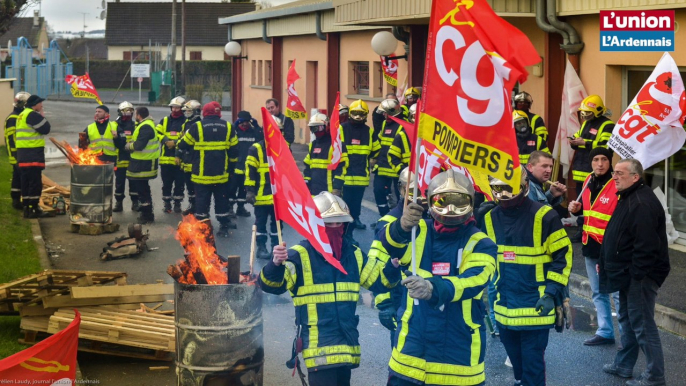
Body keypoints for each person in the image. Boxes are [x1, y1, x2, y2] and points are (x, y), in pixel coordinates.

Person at [258, 192, 401, 386]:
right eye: (328, 224)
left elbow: (379, 281)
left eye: (339, 223)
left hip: (346, 344)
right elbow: (272, 285)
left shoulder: (353, 254)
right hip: (317, 349)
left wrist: (392, 268)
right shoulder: (298, 256)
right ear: (315, 226)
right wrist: (275, 264)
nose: (335, 228)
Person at [375, 169, 497, 386]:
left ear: (470, 203)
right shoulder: (417, 230)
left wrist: (433, 288)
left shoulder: (481, 243)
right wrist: (401, 227)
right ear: (430, 202)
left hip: (458, 356)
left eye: (458, 201)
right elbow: (389, 247)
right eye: (442, 201)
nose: (450, 209)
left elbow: (473, 281)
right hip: (410, 353)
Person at [484, 169, 572, 386]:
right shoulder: (488, 217)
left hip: (536, 306)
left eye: (508, 188)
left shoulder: (545, 215)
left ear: (523, 186)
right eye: (499, 189)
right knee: (518, 368)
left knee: (532, 368)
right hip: (503, 308)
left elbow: (562, 256)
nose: (504, 195)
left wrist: (552, 293)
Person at [599, 159, 670, 386]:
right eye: (614, 172)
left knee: (642, 324)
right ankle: (623, 365)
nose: (614, 177)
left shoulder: (640, 202)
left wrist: (636, 275)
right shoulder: (630, 196)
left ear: (635, 177)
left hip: (639, 276)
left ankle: (654, 376)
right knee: (628, 321)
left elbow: (646, 246)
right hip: (627, 274)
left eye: (620, 173)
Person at [368, 168, 428, 348]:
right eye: (414, 191)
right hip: (400, 298)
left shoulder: (437, 219)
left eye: (425, 191)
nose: (420, 196)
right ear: (402, 190)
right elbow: (377, 263)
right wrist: (384, 303)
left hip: (430, 297)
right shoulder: (389, 222)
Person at [567, 147, 621, 347]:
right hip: (591, 245)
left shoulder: (617, 183)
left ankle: (627, 339)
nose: (600, 164)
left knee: (616, 293)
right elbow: (590, 212)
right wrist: (575, 209)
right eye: (596, 159)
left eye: (604, 159)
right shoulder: (588, 181)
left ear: (610, 161)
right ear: (591, 162)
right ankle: (605, 331)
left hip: (612, 248)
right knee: (598, 292)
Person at [178, 101, 238, 237]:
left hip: (201, 176)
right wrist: (230, 169)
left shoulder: (197, 127)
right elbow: (234, 152)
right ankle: (223, 226)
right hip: (221, 175)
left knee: (202, 203)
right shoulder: (228, 127)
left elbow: (182, 144)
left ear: (204, 112)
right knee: (221, 201)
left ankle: (203, 229)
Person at [245, 116, 282, 260]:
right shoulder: (256, 149)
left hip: (278, 197)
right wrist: (249, 190)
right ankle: (261, 248)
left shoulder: (283, 148)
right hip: (261, 196)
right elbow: (250, 171)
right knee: (260, 223)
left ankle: (275, 248)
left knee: (277, 226)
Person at [340, 100, 379, 234]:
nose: (358, 117)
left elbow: (376, 150)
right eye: (355, 113)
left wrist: (373, 161)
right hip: (345, 174)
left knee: (357, 202)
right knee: (345, 202)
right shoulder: (342, 128)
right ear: (350, 113)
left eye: (361, 114)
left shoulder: (369, 131)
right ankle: (344, 226)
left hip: (361, 174)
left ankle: (355, 219)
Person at [16, 95, 51, 218]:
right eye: (40, 103)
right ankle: (34, 208)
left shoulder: (21, 115)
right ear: (35, 104)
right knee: (35, 183)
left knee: (25, 183)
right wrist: (41, 114)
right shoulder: (33, 115)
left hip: (23, 155)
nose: (42, 106)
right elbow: (46, 128)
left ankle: (27, 208)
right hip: (33, 155)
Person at [570, 94, 614, 188]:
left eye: (588, 112)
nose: (585, 115)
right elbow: (577, 136)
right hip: (580, 171)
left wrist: (585, 143)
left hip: (597, 173)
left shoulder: (608, 125)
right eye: (584, 112)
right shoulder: (586, 123)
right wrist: (573, 142)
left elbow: (606, 147)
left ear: (597, 111)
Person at [124, 107, 160, 224]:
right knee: (142, 188)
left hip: (144, 164)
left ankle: (147, 214)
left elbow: (139, 145)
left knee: (142, 189)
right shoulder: (146, 124)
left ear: (139, 115)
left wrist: (128, 146)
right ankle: (146, 210)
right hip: (142, 163)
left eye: (135, 114)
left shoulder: (146, 126)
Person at [372, 99, 404, 218]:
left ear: (392, 112)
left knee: (400, 196)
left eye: (386, 113)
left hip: (396, 168)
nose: (384, 115)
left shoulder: (402, 126)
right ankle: (385, 218)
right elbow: (380, 142)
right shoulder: (385, 124)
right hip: (382, 166)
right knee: (378, 191)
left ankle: (398, 222)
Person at [228, 111, 262, 218]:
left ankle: (240, 208)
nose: (244, 124)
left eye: (247, 122)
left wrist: (257, 127)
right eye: (242, 122)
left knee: (243, 190)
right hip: (235, 167)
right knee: (232, 188)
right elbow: (228, 136)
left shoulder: (253, 131)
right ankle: (230, 208)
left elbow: (262, 138)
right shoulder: (234, 131)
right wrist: (235, 125)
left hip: (247, 167)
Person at [303, 113, 347, 196]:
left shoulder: (336, 145)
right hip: (313, 192)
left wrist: (337, 188)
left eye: (318, 128)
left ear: (326, 127)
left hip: (330, 193)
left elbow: (341, 168)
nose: (315, 131)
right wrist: (306, 183)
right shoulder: (313, 145)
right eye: (312, 128)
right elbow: (308, 167)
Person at [156, 97, 187, 214]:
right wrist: (165, 140)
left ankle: (177, 204)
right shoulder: (164, 120)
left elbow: (186, 137)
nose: (175, 109)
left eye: (177, 107)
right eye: (173, 107)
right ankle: (167, 203)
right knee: (166, 183)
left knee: (179, 183)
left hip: (179, 159)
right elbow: (157, 132)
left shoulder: (186, 122)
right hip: (165, 159)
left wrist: (174, 143)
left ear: (182, 109)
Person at [4, 91, 30, 211]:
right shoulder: (13, 118)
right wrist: (16, 155)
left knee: (17, 177)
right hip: (17, 154)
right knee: (20, 178)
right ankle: (18, 201)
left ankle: (16, 201)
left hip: (18, 154)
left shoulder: (18, 117)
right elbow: (11, 139)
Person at [176, 100, 202, 215]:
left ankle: (198, 207)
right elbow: (181, 140)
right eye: (185, 111)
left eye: (189, 111)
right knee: (189, 186)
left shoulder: (199, 125)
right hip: (186, 160)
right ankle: (192, 205)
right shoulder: (186, 123)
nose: (186, 113)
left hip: (195, 159)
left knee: (197, 186)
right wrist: (178, 155)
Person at [113, 101, 138, 212]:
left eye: (130, 111)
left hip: (133, 159)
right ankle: (119, 203)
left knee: (134, 183)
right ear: (120, 112)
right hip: (119, 159)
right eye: (125, 111)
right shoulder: (115, 125)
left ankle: (135, 202)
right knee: (119, 183)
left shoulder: (135, 125)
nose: (128, 113)